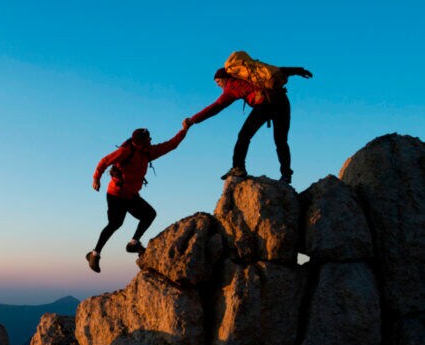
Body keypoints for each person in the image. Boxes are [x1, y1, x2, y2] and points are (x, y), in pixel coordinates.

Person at [183, 55, 312, 184]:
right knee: (281, 141)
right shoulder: (251, 77)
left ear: (224, 78)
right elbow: (278, 70)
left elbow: (216, 107)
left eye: (218, 82)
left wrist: (192, 120)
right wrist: (300, 70)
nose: (218, 86)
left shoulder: (231, 86)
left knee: (244, 135)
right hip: (282, 101)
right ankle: (286, 175)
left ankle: (238, 167)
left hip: (264, 105)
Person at [86, 124, 188, 273]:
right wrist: (96, 178)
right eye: (149, 138)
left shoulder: (147, 152)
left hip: (131, 195)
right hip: (116, 195)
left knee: (149, 215)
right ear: (141, 142)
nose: (151, 140)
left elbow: (170, 145)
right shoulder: (125, 151)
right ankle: (94, 255)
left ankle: (133, 244)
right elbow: (104, 161)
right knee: (115, 224)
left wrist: (184, 130)